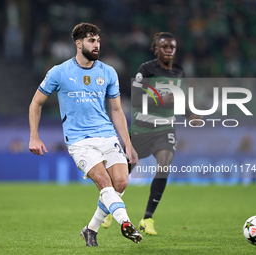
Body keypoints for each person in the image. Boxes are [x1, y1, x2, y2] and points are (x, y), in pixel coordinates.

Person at [28, 22, 143, 246]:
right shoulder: (59, 72)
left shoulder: (108, 72)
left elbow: (117, 110)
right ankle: (126, 223)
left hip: (107, 135)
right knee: (103, 181)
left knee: (120, 183)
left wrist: (128, 144)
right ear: (78, 43)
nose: (96, 44)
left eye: (98, 40)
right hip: (80, 140)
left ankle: (90, 230)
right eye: (91, 40)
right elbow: (36, 103)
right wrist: (34, 136)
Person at [101, 32, 201, 235]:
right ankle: (108, 209)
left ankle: (147, 218)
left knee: (164, 166)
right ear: (156, 49)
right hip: (141, 129)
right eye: (164, 47)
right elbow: (136, 99)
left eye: (172, 47)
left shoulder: (179, 73)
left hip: (165, 129)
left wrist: (190, 114)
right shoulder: (146, 69)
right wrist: (163, 99)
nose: (169, 50)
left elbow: (179, 101)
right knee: (122, 174)